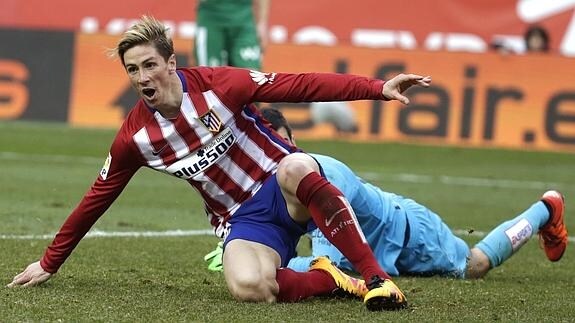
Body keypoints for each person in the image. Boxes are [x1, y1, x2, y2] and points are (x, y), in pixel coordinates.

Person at [6, 16, 433, 311]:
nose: (142, 78)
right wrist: (49, 262)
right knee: (250, 287)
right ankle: (332, 278)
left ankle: (377, 280)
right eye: (133, 70)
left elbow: (298, 82)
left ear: (171, 63)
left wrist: (377, 87)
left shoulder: (220, 85)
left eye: (150, 65)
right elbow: (96, 197)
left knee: (296, 167)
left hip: (283, 187)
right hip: (243, 218)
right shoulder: (136, 138)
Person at [208, 107, 567, 279]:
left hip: (410, 234)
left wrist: (273, 263)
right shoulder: (273, 187)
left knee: (475, 266)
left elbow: (333, 265)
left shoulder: (320, 174)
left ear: (293, 141)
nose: (275, 149)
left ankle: (545, 210)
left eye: (281, 140)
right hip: (378, 245)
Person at [194, 0, 269, 69]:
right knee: (207, 76)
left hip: (244, 18)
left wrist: (262, 23)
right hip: (211, 18)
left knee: (251, 75)